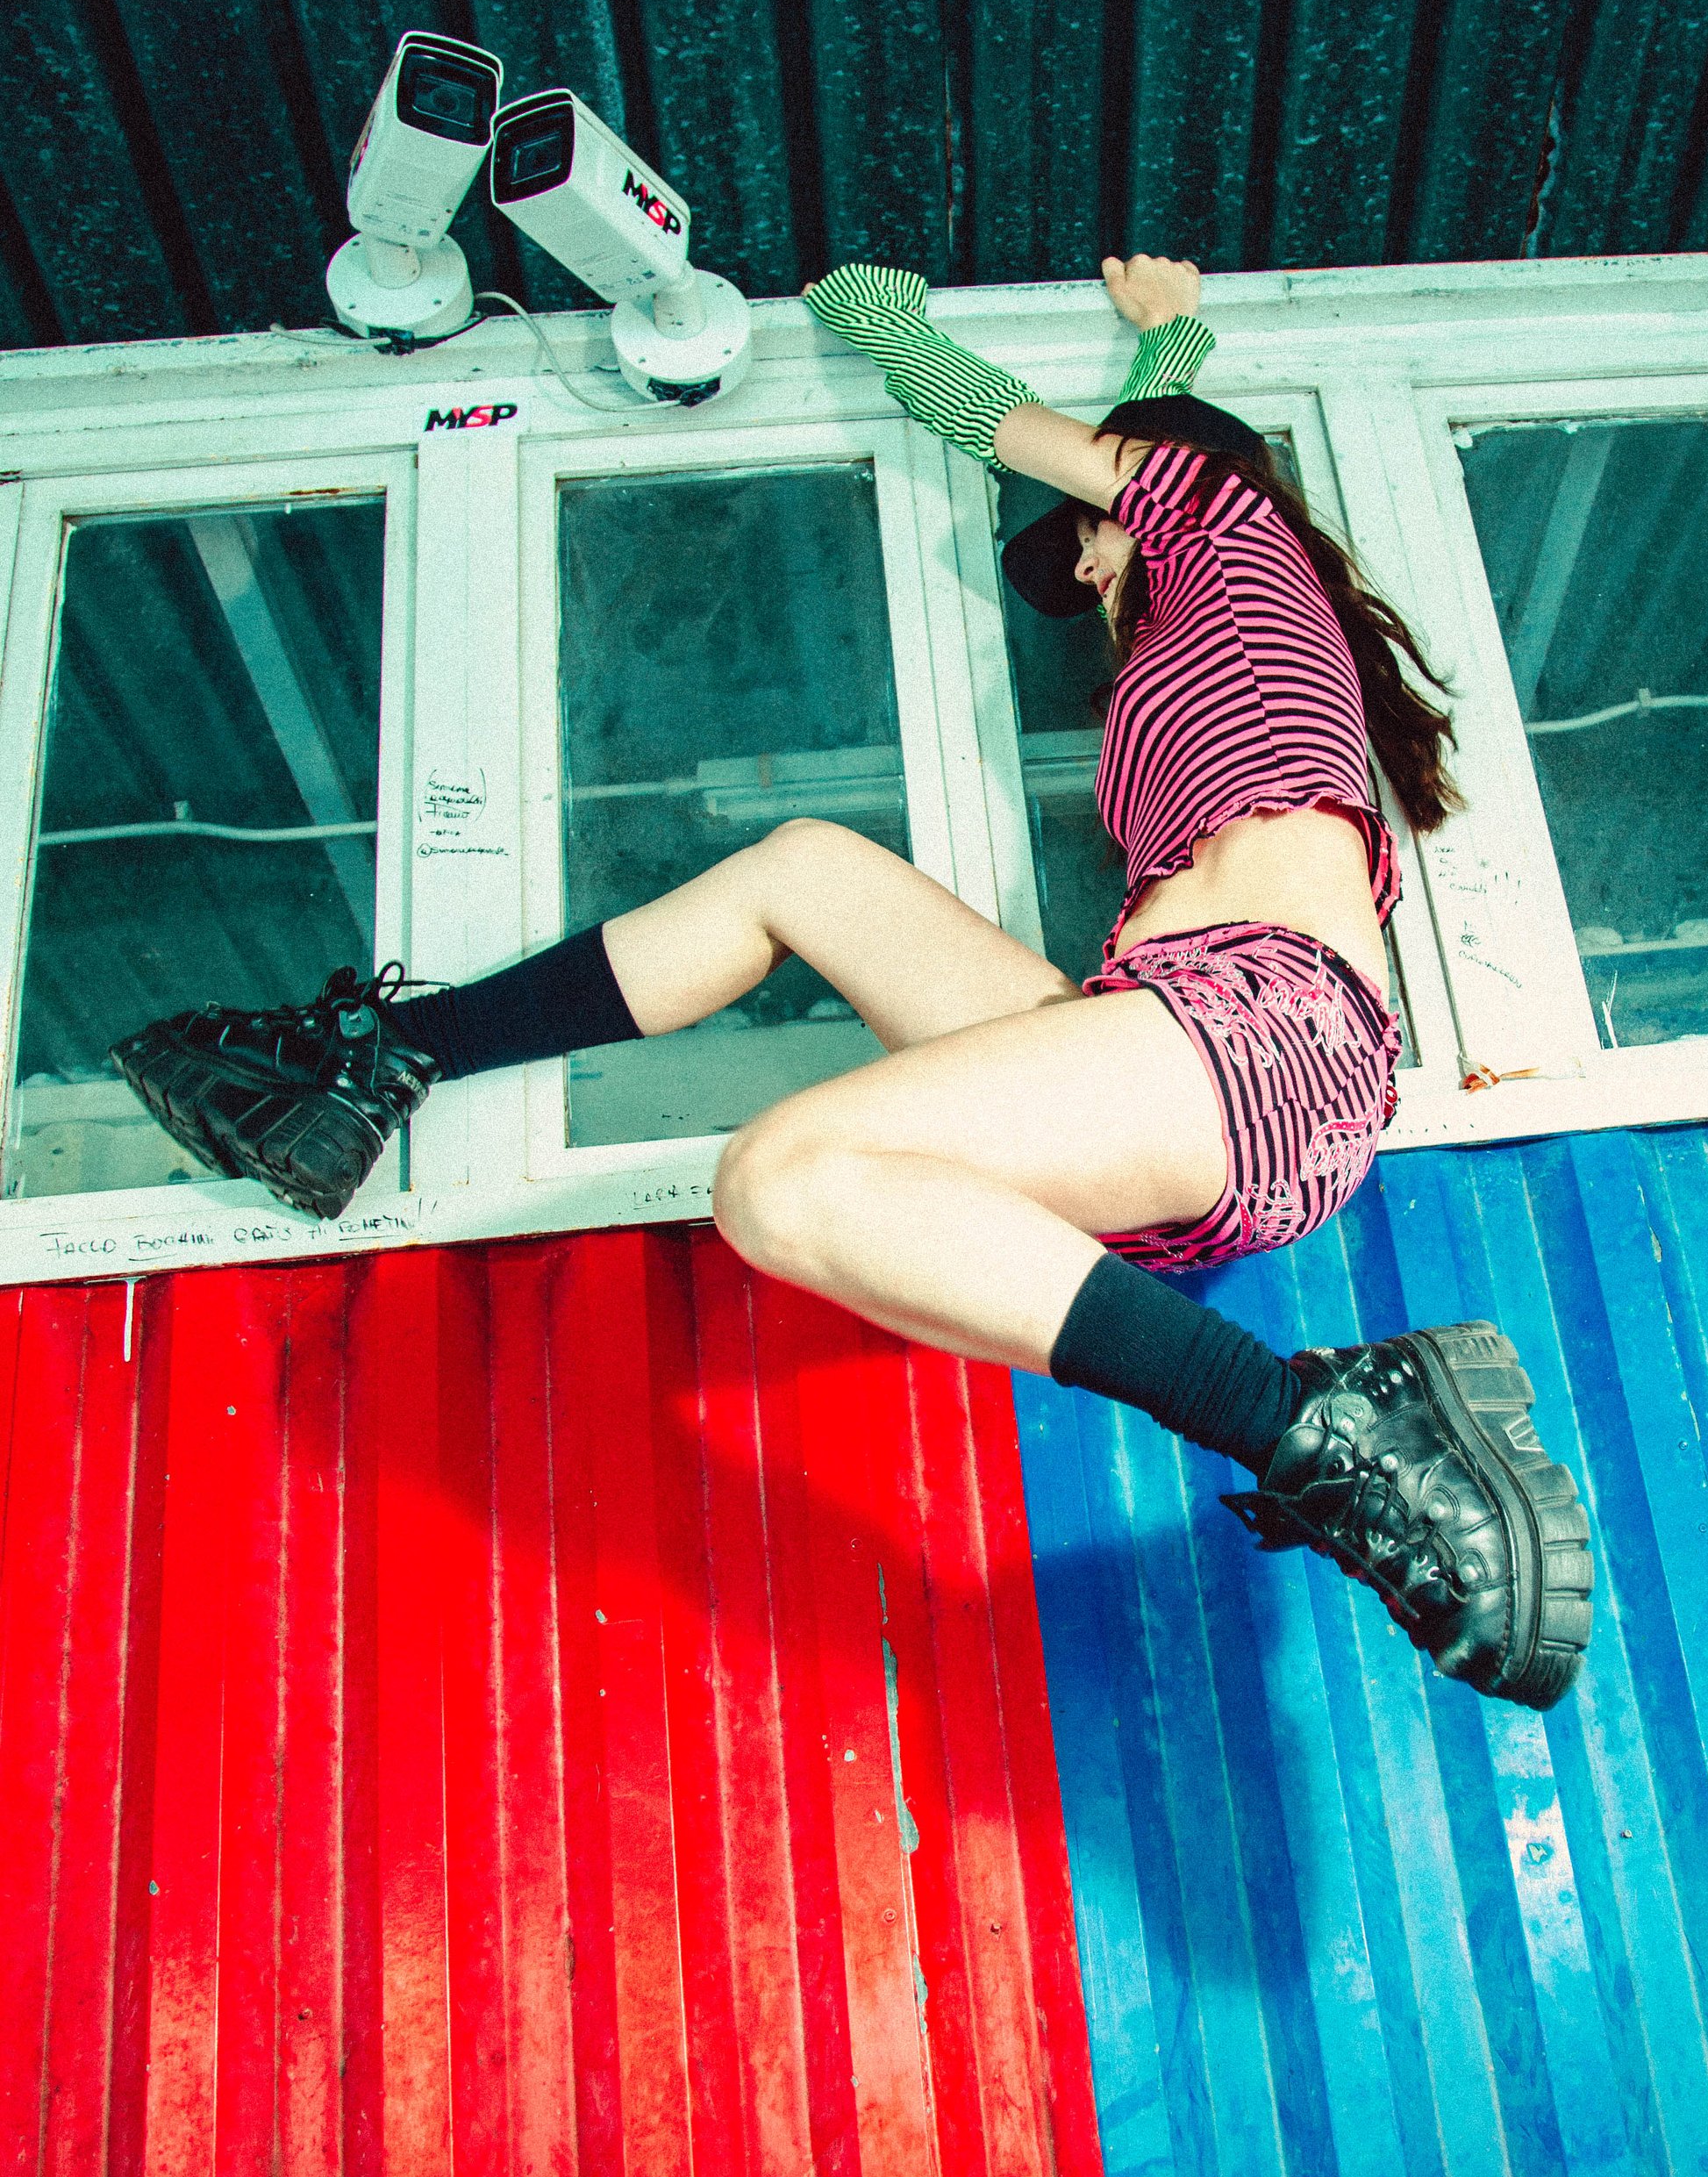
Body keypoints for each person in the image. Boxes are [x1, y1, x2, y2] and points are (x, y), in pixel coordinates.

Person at [112, 255, 1591, 1704]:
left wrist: (889, 321)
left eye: (1087, 535)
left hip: (1256, 1037)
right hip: (1205, 1064)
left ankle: (1316, 1426)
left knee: (781, 1177)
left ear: (1151, 492)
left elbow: (1007, 418)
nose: (1080, 566)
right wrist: (1167, 336)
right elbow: (1137, 458)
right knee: (806, 870)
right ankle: (383, 1058)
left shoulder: (1219, 512)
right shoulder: (1228, 606)